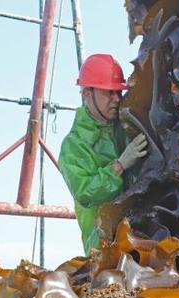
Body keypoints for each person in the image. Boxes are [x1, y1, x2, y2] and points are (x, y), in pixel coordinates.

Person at [58, 54, 147, 255]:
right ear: (87, 93)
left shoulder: (126, 125)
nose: (117, 99)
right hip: (102, 247)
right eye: (109, 93)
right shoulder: (74, 145)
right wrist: (120, 165)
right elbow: (85, 192)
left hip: (141, 235)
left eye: (119, 92)